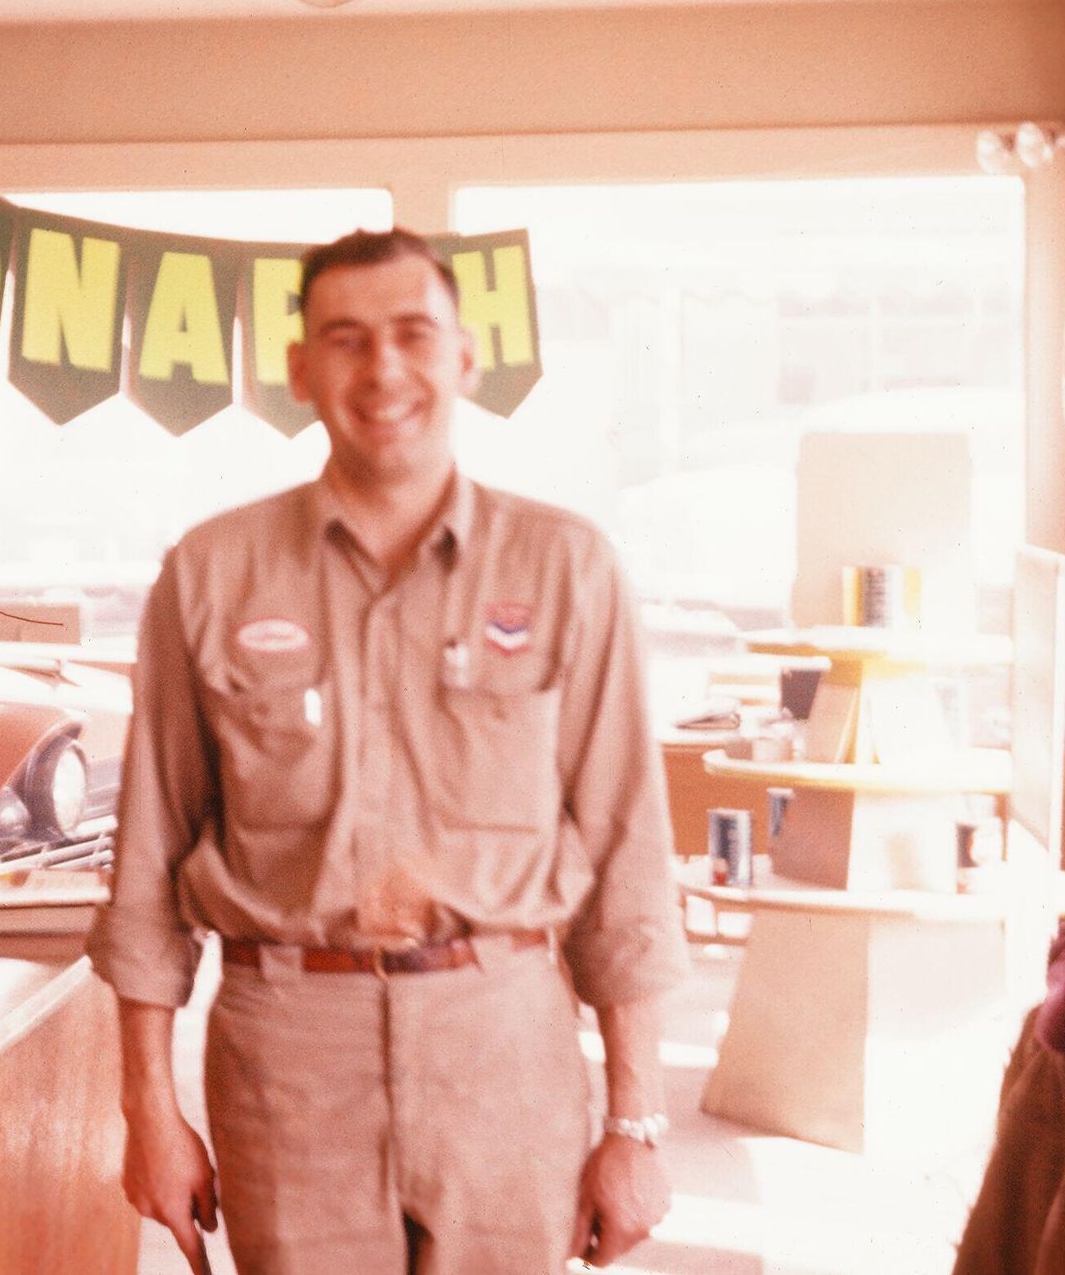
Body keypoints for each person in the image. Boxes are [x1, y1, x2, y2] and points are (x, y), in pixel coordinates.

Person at [86, 227, 688, 1275]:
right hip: (287, 1054)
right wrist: (149, 1109)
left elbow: (627, 855)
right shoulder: (212, 573)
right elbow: (147, 862)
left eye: (414, 334)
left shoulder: (566, 569)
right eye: (347, 338)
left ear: (466, 358)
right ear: (300, 369)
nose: (384, 369)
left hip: (503, 1042)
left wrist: (635, 1122)